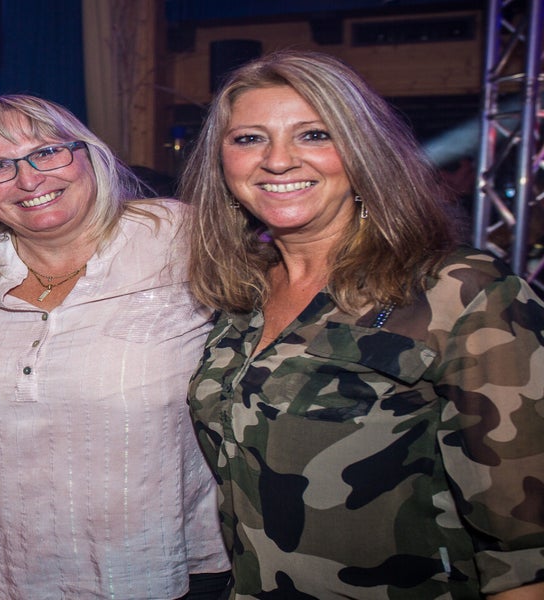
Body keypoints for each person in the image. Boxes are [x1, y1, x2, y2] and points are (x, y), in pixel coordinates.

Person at [181, 50, 544, 599]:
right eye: (249, 139)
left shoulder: (460, 290)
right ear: (222, 161)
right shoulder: (238, 293)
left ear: (361, 151)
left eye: (314, 135)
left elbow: (524, 553)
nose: (277, 161)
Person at [0, 94, 230, 599]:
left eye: (47, 153)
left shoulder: (182, 238)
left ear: (88, 154)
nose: (29, 180)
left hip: (159, 567)